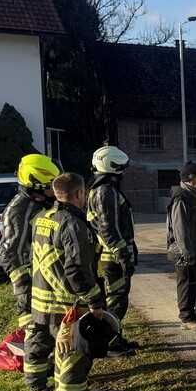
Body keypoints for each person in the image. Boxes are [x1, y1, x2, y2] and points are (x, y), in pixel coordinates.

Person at [28, 172, 111, 391]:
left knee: (55, 348)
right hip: (66, 302)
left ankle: (54, 390)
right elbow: (76, 268)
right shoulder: (72, 224)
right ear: (78, 194)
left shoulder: (41, 217)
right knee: (72, 353)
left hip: (41, 299)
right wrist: (95, 302)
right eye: (84, 193)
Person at [0, 153, 60, 340]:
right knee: (35, 328)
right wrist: (24, 286)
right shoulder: (18, 210)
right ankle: (34, 364)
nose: (55, 187)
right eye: (52, 183)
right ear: (38, 184)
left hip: (50, 274)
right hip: (32, 280)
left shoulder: (45, 202)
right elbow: (9, 253)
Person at [87, 145, 138, 356]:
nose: (123, 172)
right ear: (113, 166)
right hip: (111, 258)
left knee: (118, 299)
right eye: (121, 167)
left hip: (112, 256)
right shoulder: (105, 191)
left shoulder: (102, 189)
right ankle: (110, 343)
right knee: (116, 301)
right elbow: (108, 227)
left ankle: (115, 339)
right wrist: (122, 255)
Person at [167, 161, 196, 330]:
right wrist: (187, 253)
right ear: (191, 180)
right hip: (186, 253)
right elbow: (180, 229)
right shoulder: (181, 198)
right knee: (188, 285)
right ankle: (187, 318)